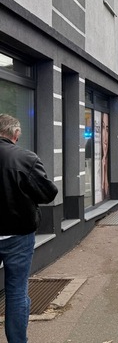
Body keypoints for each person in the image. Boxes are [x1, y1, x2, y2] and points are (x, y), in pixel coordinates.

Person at [0, 114, 59, 343]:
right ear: (15, 134)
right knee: (16, 292)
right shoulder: (25, 159)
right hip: (18, 235)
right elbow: (48, 193)